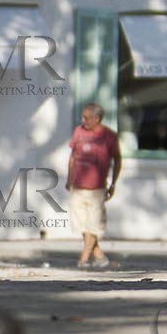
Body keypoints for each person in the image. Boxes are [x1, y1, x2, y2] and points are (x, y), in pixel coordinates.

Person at [66, 101, 121, 269]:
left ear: (97, 119)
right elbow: (73, 156)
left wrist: (113, 183)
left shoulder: (108, 136)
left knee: (94, 224)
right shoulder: (79, 132)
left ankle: (83, 259)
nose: (83, 121)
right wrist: (69, 178)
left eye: (87, 118)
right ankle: (98, 256)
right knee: (82, 224)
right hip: (78, 186)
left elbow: (118, 159)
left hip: (97, 187)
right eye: (83, 117)